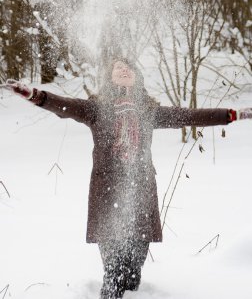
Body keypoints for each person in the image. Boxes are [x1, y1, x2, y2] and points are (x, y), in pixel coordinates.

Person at [4, 58, 252, 299]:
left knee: (133, 274)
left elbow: (190, 116)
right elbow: (64, 105)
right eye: (117, 68)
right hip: (107, 193)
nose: (123, 70)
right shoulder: (96, 109)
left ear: (137, 77)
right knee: (113, 272)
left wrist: (232, 115)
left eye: (128, 67)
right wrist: (32, 94)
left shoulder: (149, 112)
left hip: (141, 194)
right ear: (109, 78)